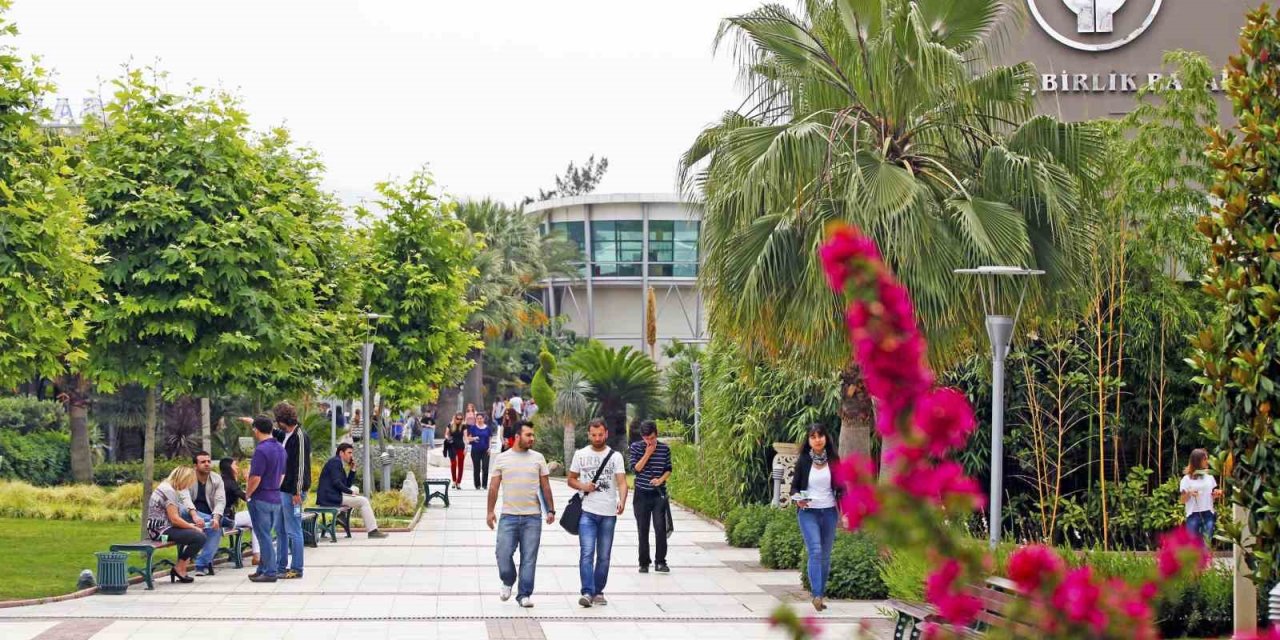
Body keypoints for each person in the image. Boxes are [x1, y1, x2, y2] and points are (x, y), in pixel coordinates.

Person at [487, 421, 556, 608]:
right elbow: (493, 486)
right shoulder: (502, 458)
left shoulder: (538, 458)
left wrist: (550, 509)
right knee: (502, 553)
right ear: (517, 437)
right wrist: (489, 511)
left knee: (529, 557)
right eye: (528, 435)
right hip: (508, 516)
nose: (532, 438)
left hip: (532, 517)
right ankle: (508, 580)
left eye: (533, 435)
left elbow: (546, 486)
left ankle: (524, 594)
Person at [568, 419, 627, 607]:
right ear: (588, 434)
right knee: (587, 552)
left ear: (606, 434)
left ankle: (598, 590)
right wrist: (584, 486)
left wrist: (622, 500)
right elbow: (571, 479)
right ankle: (587, 591)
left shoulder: (615, 456)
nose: (597, 438)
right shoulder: (580, 454)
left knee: (604, 555)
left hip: (608, 513)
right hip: (587, 511)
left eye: (600, 434)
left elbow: (622, 482)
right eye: (594, 435)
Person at [791, 423, 842, 612]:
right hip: (808, 512)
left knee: (826, 556)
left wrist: (844, 513)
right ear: (809, 440)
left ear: (826, 438)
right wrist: (798, 500)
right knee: (816, 550)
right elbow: (794, 487)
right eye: (813, 436)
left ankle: (820, 594)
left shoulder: (834, 460)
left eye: (820, 435)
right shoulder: (803, 460)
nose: (817, 440)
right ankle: (817, 595)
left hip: (828, 512)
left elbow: (841, 488)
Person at [145, 466, 207, 583]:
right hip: (160, 533)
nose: (187, 486)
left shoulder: (166, 487)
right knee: (199, 537)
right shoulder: (169, 491)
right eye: (188, 483)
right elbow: (175, 519)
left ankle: (181, 567)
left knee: (197, 534)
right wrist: (192, 527)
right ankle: (180, 568)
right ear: (183, 479)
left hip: (162, 528)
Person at [272, 401, 310, 580]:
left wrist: (297, 492)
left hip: (293, 492)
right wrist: (253, 423)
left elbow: (301, 467)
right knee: (280, 528)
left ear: (282, 420)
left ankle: (297, 568)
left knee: (294, 529)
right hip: (283, 490)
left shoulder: (300, 437)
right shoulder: (287, 435)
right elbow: (274, 433)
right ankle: (280, 566)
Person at [318, 443, 390, 538]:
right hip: (329, 498)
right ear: (341, 453)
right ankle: (373, 531)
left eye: (352, 453)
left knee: (355, 488)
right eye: (349, 452)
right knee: (363, 501)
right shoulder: (335, 462)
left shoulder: (338, 463)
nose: (351, 455)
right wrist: (350, 492)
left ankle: (342, 515)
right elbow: (337, 483)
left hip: (332, 495)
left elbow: (346, 485)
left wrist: (352, 470)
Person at [246, 414, 287, 583]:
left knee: (263, 536)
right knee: (267, 534)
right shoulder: (280, 448)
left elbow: (255, 478)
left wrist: (248, 493)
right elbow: (282, 475)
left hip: (261, 497)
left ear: (256, 430)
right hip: (275, 497)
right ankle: (262, 568)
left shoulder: (261, 450)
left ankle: (270, 571)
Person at [630, 419, 673, 574]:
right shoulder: (636, 448)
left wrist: (660, 480)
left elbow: (668, 468)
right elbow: (636, 468)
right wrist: (648, 453)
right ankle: (644, 562)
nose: (649, 441)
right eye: (646, 438)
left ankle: (660, 561)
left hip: (658, 494)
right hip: (641, 494)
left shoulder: (664, 449)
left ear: (657, 434)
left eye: (652, 438)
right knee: (643, 528)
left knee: (660, 527)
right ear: (642, 437)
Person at [187, 450, 227, 576]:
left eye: (209, 461)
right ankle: (223, 520)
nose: (207, 464)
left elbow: (220, 501)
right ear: (195, 465)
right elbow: (185, 500)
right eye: (203, 462)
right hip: (188, 516)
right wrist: (195, 516)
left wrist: (215, 518)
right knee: (183, 509)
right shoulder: (187, 478)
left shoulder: (216, 478)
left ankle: (201, 565)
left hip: (208, 517)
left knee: (216, 529)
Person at [220, 457, 260, 566]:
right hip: (226, 519)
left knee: (254, 519)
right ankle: (257, 555)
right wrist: (249, 480)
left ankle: (257, 555)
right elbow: (247, 497)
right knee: (256, 518)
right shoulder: (230, 483)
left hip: (221, 516)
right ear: (229, 468)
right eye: (235, 465)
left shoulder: (222, 480)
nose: (237, 467)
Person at [1180, 448, 1222, 545]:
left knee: (1206, 544)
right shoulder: (1186, 479)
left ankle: (1205, 560)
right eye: (1205, 459)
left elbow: (1211, 496)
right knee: (1192, 545)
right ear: (1197, 461)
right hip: (1193, 515)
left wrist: (1216, 494)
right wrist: (1189, 493)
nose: (1207, 461)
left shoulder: (1209, 477)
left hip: (1208, 514)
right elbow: (1182, 500)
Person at [468, 413, 494, 490]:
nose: (479, 420)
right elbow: (468, 438)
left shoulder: (487, 428)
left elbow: (490, 439)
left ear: (483, 419)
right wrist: (474, 438)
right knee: (477, 468)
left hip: (485, 451)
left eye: (481, 418)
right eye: (478, 418)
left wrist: (490, 448)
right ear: (476, 419)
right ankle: (477, 485)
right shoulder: (473, 428)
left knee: (485, 467)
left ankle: (485, 484)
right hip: (475, 450)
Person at [444, 412, 468, 489]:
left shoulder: (463, 426)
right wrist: (447, 438)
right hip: (452, 446)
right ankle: (454, 481)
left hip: (461, 446)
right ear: (454, 418)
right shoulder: (450, 425)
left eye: (461, 419)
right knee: (453, 463)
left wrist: (467, 447)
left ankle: (458, 482)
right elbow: (446, 434)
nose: (459, 420)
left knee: (461, 465)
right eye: (458, 418)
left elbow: (465, 437)